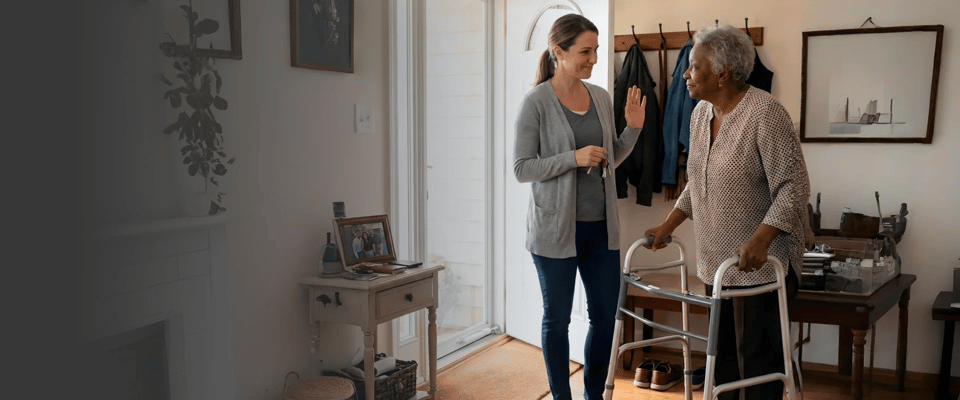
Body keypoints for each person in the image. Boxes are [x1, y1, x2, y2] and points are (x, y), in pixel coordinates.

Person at [642, 24, 812, 400]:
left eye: (694, 66)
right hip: (717, 264)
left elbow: (794, 187)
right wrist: (667, 225)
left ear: (722, 73)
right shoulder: (701, 114)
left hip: (763, 267)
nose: (686, 74)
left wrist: (760, 241)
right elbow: (697, 182)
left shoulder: (765, 114)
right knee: (723, 363)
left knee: (757, 366)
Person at [513, 13, 647, 400]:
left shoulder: (602, 97)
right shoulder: (536, 102)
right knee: (556, 322)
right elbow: (522, 169)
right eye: (585, 51)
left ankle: (593, 396)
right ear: (559, 51)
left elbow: (609, 158)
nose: (593, 59)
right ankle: (561, 397)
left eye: (596, 50)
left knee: (605, 318)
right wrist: (573, 157)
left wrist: (633, 129)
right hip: (555, 231)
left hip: (601, 229)